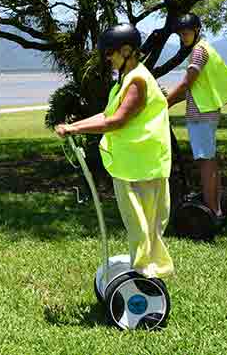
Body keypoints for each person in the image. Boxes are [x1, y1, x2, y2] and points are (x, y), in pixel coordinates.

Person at [56, 23, 174, 279]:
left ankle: (146, 276)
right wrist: (73, 126)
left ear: (127, 50)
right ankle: (144, 270)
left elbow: (116, 121)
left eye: (111, 53)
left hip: (142, 166)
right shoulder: (125, 81)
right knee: (138, 225)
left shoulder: (138, 81)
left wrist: (75, 130)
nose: (107, 58)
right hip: (133, 164)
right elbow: (107, 114)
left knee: (144, 226)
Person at [165, 13, 227, 217]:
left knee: (205, 164)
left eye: (186, 33)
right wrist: (170, 101)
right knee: (210, 161)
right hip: (206, 111)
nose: (183, 37)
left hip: (201, 114)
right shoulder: (206, 47)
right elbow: (191, 89)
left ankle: (211, 211)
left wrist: (165, 103)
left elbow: (186, 83)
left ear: (197, 30)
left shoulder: (198, 51)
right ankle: (215, 208)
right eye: (181, 34)